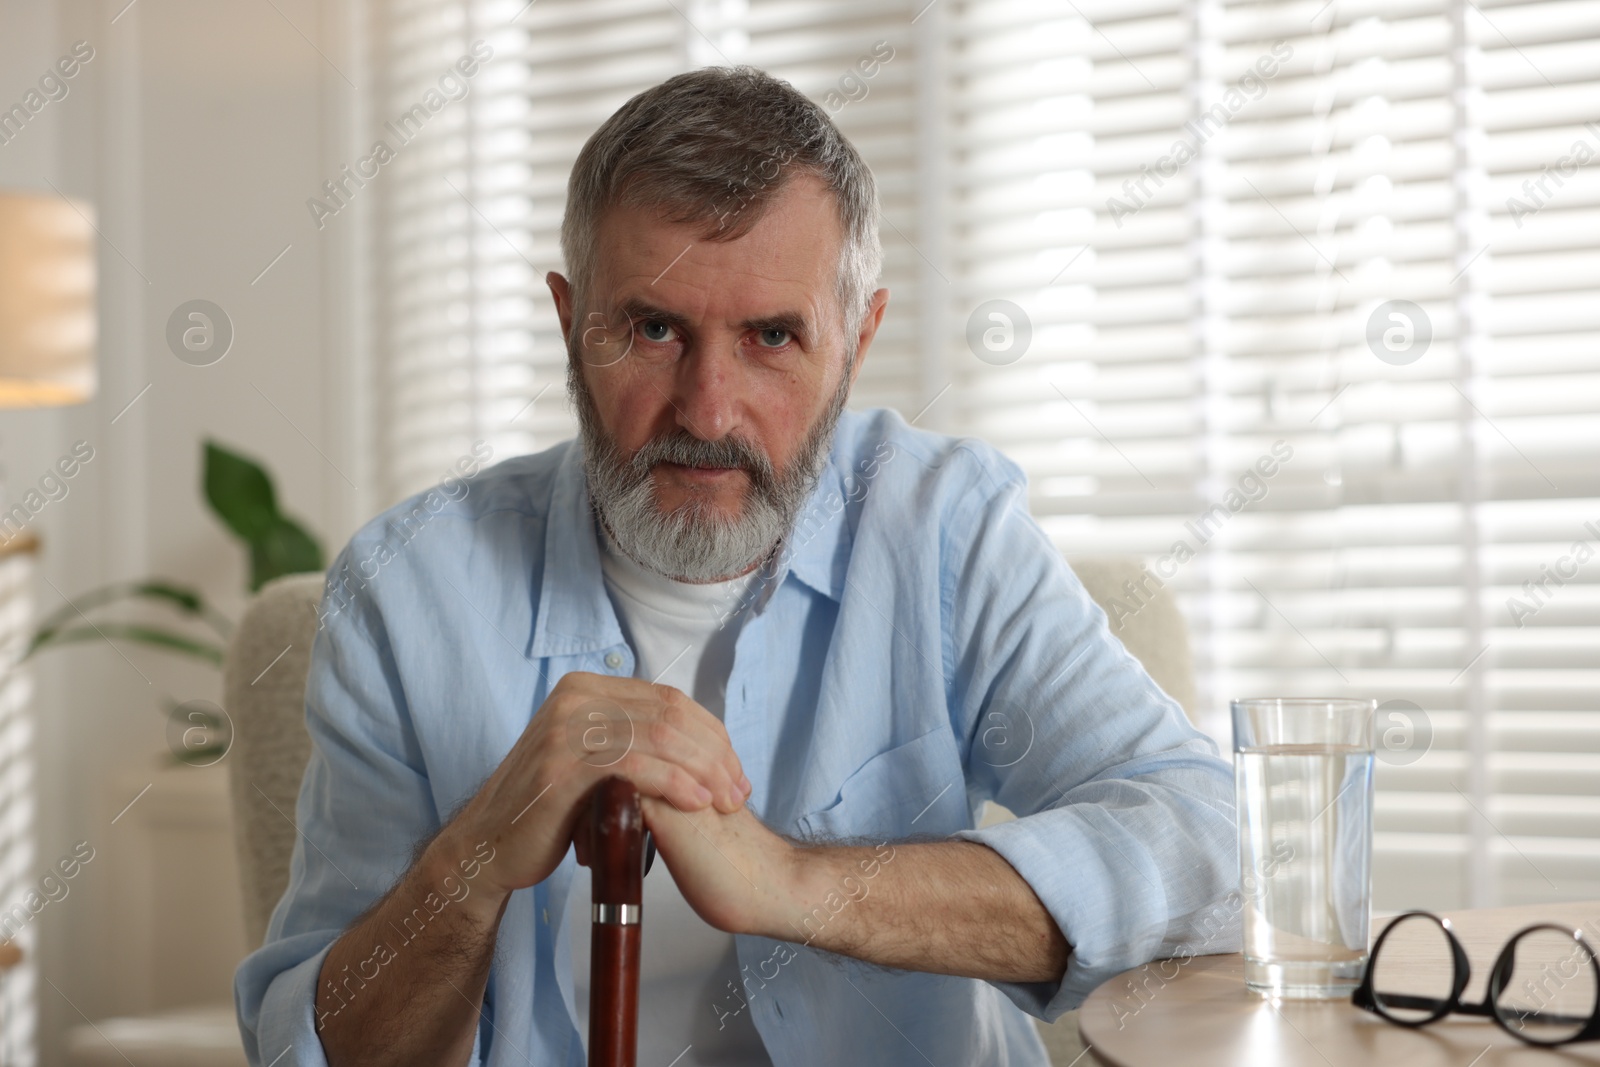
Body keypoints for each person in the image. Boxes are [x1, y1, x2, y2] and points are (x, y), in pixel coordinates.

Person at [234, 64, 1237, 1067]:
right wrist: (475, 858)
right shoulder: (407, 587)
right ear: (569, 323)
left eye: (771, 337)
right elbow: (321, 1049)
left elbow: (1212, 850)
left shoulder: (945, 530)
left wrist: (791, 880)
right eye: (653, 329)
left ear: (856, 339)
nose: (707, 411)